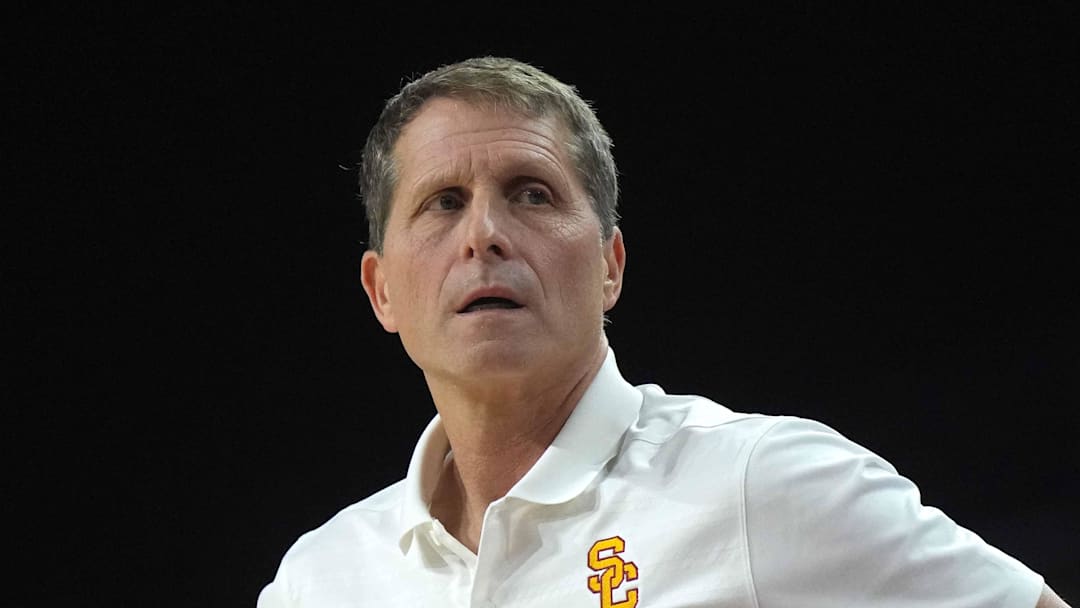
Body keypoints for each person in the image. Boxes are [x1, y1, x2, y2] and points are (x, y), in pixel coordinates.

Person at [258, 57, 1069, 607]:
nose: (485, 237)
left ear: (610, 265)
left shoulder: (760, 482)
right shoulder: (320, 579)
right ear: (382, 290)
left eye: (532, 194)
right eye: (443, 203)